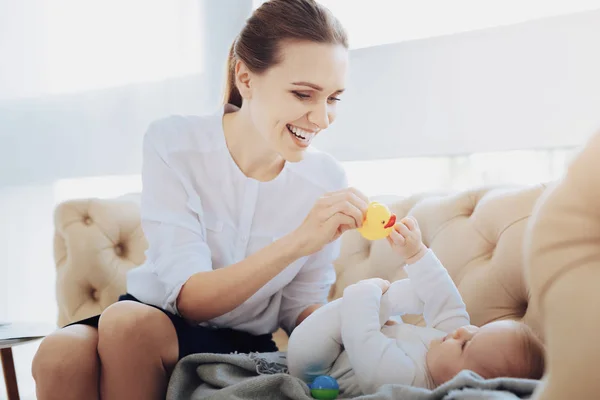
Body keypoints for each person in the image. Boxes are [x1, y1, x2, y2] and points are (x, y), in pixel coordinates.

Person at [31, 1, 368, 399]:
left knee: (125, 323)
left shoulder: (325, 179)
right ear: (245, 77)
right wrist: (299, 240)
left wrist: (364, 322)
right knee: (60, 353)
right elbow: (190, 300)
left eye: (333, 99)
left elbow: (300, 309)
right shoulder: (174, 143)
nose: (321, 118)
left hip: (241, 340)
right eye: (303, 94)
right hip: (158, 316)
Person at [287, 217, 545, 397]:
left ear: (461, 383)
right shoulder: (450, 340)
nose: (462, 332)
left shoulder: (405, 380)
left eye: (467, 344)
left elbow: (360, 337)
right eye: (476, 330)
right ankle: (382, 305)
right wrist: (416, 253)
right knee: (420, 294)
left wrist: (368, 290)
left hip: (317, 364)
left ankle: (378, 301)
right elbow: (445, 298)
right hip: (367, 337)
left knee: (358, 317)